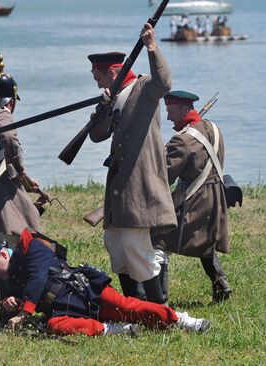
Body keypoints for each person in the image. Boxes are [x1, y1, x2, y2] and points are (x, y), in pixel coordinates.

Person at [87, 23, 177, 305]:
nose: (93, 78)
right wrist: (103, 109)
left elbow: (164, 83)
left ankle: (158, 309)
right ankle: (134, 307)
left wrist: (151, 47)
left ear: (112, 72)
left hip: (139, 182)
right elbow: (96, 135)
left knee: (136, 247)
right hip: (118, 186)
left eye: (96, 73)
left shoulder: (144, 88)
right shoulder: (113, 97)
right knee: (116, 246)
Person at [0, 229, 210, 336]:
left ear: (4, 255)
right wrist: (11, 306)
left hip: (84, 291)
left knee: (128, 307)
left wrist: (23, 312)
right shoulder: (5, 284)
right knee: (54, 326)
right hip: (62, 309)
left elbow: (37, 279)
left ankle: (181, 319)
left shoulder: (32, 248)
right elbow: (5, 320)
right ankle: (115, 330)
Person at [152, 91, 231, 303]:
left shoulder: (182, 140)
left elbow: (164, 177)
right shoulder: (214, 129)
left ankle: (161, 301)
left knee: (158, 238)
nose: (168, 117)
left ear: (184, 109)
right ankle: (220, 283)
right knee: (205, 241)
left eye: (171, 111)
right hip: (216, 198)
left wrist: (159, 156)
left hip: (193, 200)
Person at [0, 54, 43, 235]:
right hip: (0, 180)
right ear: (12, 100)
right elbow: (8, 138)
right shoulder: (3, 114)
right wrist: (21, 171)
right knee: (25, 221)